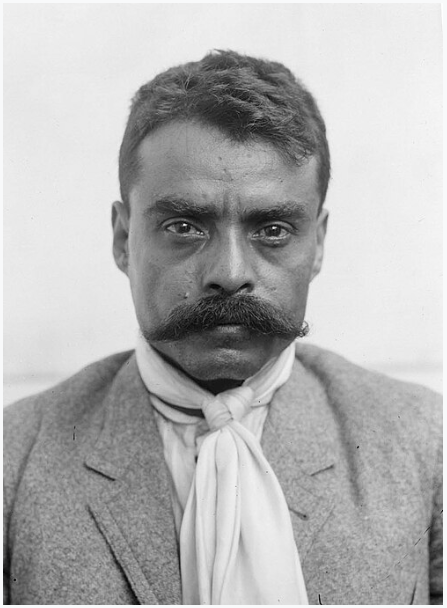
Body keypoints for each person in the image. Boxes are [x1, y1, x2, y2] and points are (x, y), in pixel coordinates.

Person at [3, 50, 442, 605]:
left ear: (318, 244)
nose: (230, 274)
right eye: (184, 226)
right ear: (123, 239)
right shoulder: (13, 457)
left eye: (273, 229)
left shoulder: (425, 441)